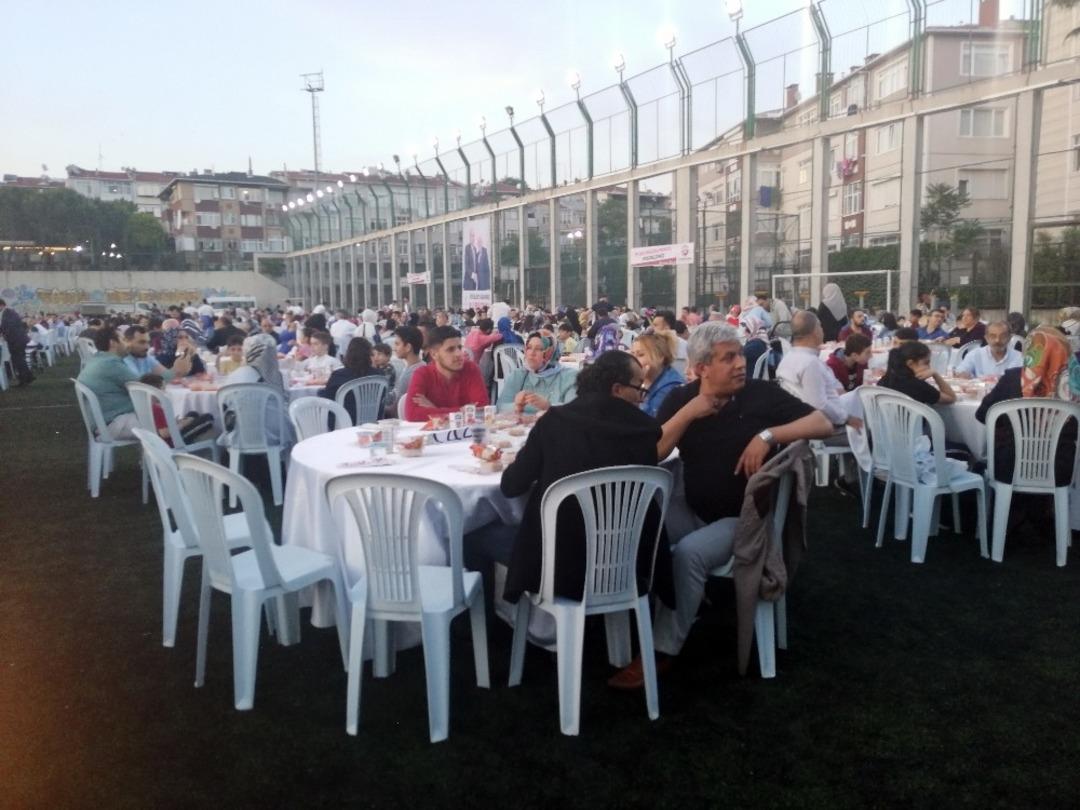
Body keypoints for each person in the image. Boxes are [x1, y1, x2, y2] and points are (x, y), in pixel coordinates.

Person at [609, 322, 833, 687]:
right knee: (638, 526)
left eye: (740, 355)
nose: (740, 364)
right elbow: (652, 452)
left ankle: (662, 650)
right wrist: (690, 412)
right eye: (728, 358)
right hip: (694, 508)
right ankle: (633, 619)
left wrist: (768, 435)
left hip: (743, 518)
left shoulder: (761, 395)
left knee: (689, 555)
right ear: (701, 368)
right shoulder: (682, 398)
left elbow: (823, 422)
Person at [494, 350, 671, 608]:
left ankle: (484, 634)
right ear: (618, 390)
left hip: (556, 565)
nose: (641, 395)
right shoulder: (645, 429)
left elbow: (511, 486)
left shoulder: (555, 421)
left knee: (475, 537)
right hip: (626, 560)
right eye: (639, 388)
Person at [976, 326, 1079, 486]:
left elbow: (982, 414)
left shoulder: (1012, 378)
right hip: (1060, 468)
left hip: (1011, 464)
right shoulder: (1075, 384)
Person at [77, 326, 192, 440]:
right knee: (173, 426)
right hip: (112, 424)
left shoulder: (98, 360)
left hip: (106, 421)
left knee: (173, 421)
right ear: (113, 343)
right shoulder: (110, 364)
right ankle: (182, 452)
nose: (128, 344)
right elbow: (145, 389)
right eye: (123, 340)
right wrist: (175, 371)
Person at [403, 326, 489, 421]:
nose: (459, 354)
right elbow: (412, 414)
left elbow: (481, 409)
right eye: (450, 349)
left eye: (459, 347)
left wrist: (434, 409)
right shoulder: (422, 374)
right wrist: (461, 410)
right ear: (434, 354)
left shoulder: (470, 368)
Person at [496, 330, 578, 414]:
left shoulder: (569, 377)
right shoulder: (519, 375)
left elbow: (573, 411)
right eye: (529, 347)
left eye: (539, 349)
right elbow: (500, 407)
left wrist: (548, 406)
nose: (532, 353)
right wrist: (516, 406)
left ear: (551, 352)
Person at [319, 336, 384, 423]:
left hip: (344, 422)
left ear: (348, 354)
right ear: (369, 355)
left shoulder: (338, 376)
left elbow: (328, 399)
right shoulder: (379, 376)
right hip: (373, 420)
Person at [138, 373, 214, 446]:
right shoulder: (156, 409)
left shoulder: (144, 406)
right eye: (163, 389)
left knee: (193, 414)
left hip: (162, 438)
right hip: (173, 442)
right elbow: (164, 433)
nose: (164, 392)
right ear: (154, 391)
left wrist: (177, 422)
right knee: (208, 418)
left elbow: (160, 426)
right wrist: (182, 424)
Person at [878, 341, 957, 405]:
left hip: (884, 424)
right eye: (926, 363)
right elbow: (951, 398)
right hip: (915, 425)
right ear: (910, 364)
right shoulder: (919, 386)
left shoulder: (883, 381)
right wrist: (936, 375)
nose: (929, 367)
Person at [631, 332, 685, 418]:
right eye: (632, 354)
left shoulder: (671, 387)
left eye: (640, 355)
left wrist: (636, 387)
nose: (633, 360)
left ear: (660, 357)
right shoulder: (647, 380)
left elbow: (648, 421)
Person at [955, 322, 1022, 379]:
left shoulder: (1019, 358)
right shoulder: (975, 354)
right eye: (993, 336)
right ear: (986, 338)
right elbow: (961, 371)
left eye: (1002, 336)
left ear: (1009, 338)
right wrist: (962, 374)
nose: (997, 340)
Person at [391, 325, 425, 415]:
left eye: (397, 344)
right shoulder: (423, 366)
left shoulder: (409, 374)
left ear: (408, 347)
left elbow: (395, 408)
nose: (394, 348)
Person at [0, 299, 34, 385]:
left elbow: (9, 327)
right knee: (19, 359)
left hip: (16, 340)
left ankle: (25, 379)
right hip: (17, 339)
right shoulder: (7, 313)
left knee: (18, 360)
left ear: (2, 305)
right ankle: (28, 377)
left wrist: (4, 334)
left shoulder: (8, 313)